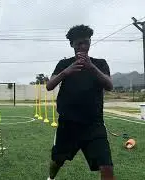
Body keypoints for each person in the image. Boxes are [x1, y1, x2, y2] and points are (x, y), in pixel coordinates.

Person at [46, 25, 115, 180]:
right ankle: (50, 178)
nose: (83, 47)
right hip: (68, 124)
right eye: (79, 44)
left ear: (90, 41)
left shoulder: (100, 63)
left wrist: (92, 68)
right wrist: (67, 71)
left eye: (86, 42)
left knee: (107, 166)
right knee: (57, 161)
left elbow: (109, 86)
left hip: (94, 125)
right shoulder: (64, 64)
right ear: (72, 45)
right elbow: (50, 86)